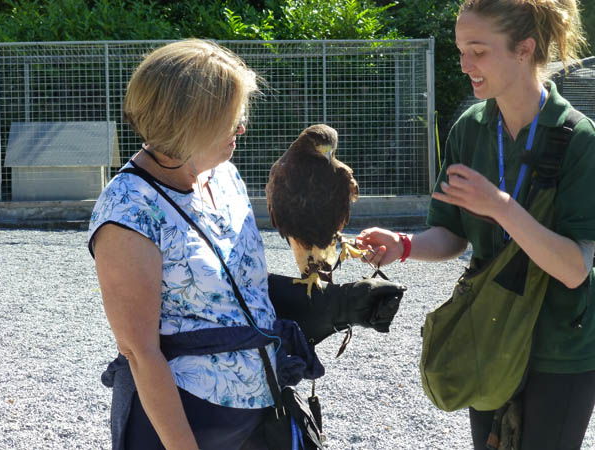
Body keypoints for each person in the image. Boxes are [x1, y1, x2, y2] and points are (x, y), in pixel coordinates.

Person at [88, 39, 403, 450]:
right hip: (181, 427)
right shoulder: (128, 210)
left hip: (263, 410)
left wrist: (334, 304)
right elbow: (140, 352)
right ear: (188, 122)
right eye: (230, 118)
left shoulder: (225, 177)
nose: (242, 128)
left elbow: (235, 286)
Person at [357, 0, 595, 449]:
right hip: (486, 331)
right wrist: (403, 245)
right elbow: (452, 233)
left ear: (524, 49)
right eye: (461, 49)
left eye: (478, 51)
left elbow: (574, 268)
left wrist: (502, 207)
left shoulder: (579, 138)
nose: (466, 64)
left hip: (561, 347)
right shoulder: (468, 129)